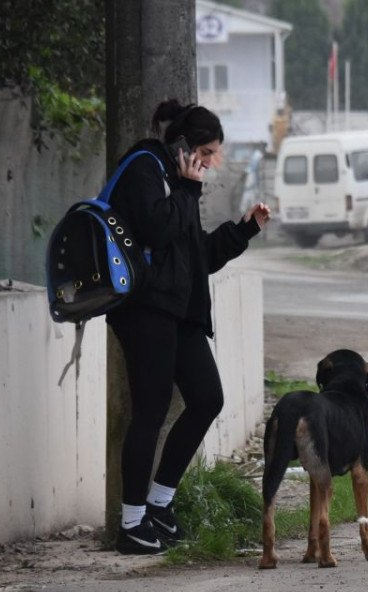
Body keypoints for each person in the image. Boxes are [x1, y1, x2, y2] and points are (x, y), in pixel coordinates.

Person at [107, 99, 270, 554]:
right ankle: (132, 523)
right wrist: (188, 190)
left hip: (178, 313)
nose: (212, 163)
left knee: (206, 398)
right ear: (184, 147)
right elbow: (156, 231)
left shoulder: (177, 184)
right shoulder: (145, 169)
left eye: (216, 154)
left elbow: (195, 255)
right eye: (208, 152)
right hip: (144, 310)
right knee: (150, 414)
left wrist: (244, 230)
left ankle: (160, 504)